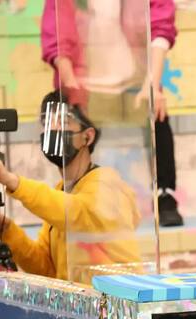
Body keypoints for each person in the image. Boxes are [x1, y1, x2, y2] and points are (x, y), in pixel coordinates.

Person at [40, 0, 184, 226]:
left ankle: (165, 195)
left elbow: (160, 25)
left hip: (134, 76)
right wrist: (70, 83)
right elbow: (58, 32)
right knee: (73, 135)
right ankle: (79, 196)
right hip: (85, 81)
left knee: (158, 118)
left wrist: (153, 84)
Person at [0, 91, 141, 284]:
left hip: (120, 299)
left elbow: (77, 212)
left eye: (62, 122)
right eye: (47, 123)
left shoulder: (107, 184)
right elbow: (46, 267)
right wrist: (4, 227)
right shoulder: (61, 192)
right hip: (83, 299)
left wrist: (12, 180)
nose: (52, 129)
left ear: (87, 137)